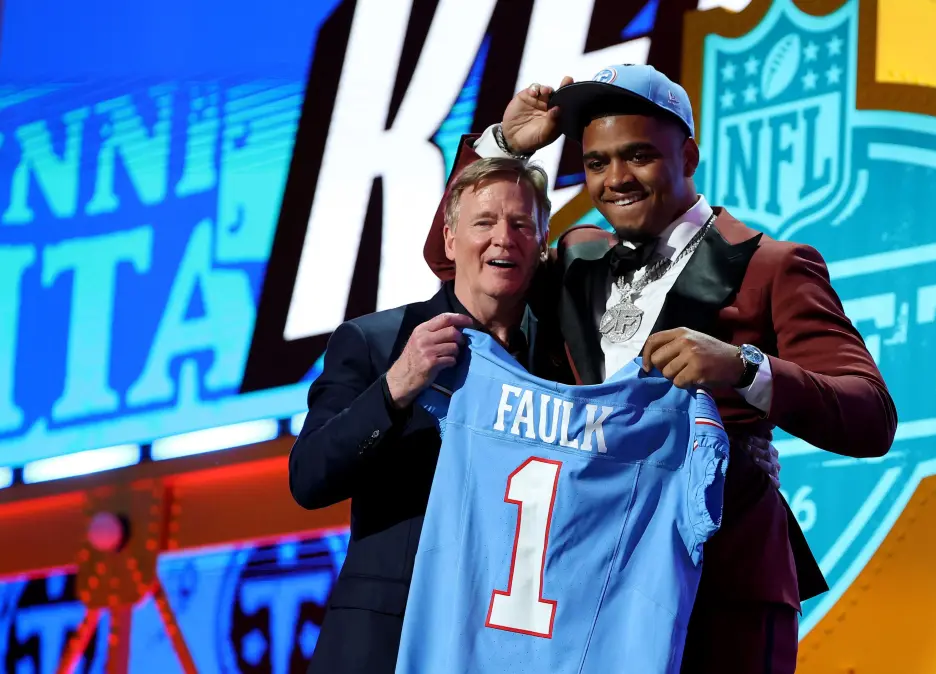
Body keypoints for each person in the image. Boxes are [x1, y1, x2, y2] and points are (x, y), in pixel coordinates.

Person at [423, 65, 898, 673]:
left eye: (639, 156)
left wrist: (744, 369)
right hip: (588, 581)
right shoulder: (575, 255)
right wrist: (503, 147)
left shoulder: (772, 267)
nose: (616, 179)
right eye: (596, 163)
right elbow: (456, 255)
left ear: (690, 155)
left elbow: (871, 415)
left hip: (720, 588)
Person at [290, 157, 553, 673]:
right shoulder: (376, 341)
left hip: (507, 645)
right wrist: (395, 386)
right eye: (484, 222)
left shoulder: (562, 363)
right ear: (450, 241)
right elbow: (308, 478)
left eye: (521, 224)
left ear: (542, 245)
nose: (503, 238)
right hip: (385, 641)